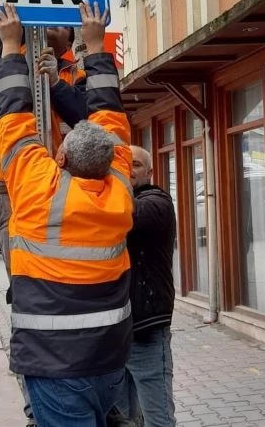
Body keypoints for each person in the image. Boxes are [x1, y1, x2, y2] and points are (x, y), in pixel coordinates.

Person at [0, 1, 134, 427]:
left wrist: (91, 44)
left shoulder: (41, 191)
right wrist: (13, 46)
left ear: (62, 155)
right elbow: (15, 117)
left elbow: (108, 119)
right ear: (112, 161)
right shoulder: (120, 194)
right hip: (108, 361)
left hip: (58, 368)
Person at [0, 22, 89, 426]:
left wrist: (54, 83)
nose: (45, 27)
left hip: (71, 189)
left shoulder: (75, 74)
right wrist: (12, 46)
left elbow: (96, 120)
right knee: (29, 296)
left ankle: (61, 393)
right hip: (16, 188)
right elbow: (9, 111)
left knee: (66, 292)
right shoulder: (7, 67)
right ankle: (38, 405)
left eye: (54, 24)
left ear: (69, 38)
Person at [112, 146, 177, 427]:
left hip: (146, 329)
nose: (128, 169)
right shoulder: (118, 200)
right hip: (115, 332)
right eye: (122, 164)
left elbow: (126, 216)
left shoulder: (156, 203)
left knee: (158, 418)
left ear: (150, 172)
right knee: (124, 418)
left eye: (135, 164)